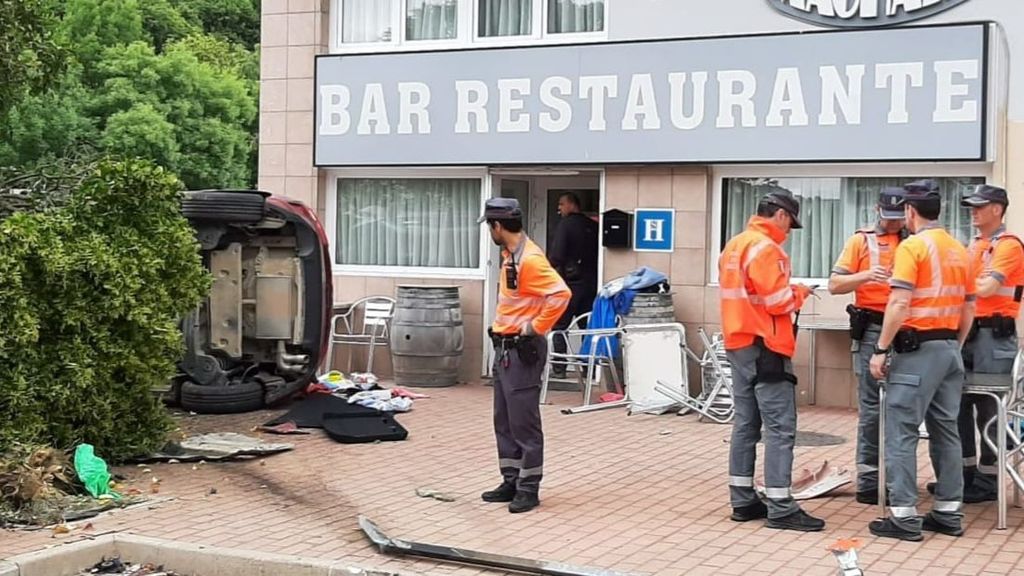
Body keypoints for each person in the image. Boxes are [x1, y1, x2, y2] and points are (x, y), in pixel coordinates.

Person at [868, 179, 975, 541]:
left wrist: (881, 349)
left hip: (917, 351)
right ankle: (948, 512)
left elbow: (898, 303)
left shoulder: (913, 247)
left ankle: (903, 517)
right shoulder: (960, 248)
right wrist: (954, 345)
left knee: (901, 430)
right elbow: (970, 305)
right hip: (948, 349)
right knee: (946, 430)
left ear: (910, 212)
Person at [719, 187, 823, 532]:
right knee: (780, 427)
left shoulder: (735, 245)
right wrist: (801, 292)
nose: (788, 233)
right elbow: (778, 302)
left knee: (746, 423)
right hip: (767, 347)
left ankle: (743, 498)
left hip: (739, 342)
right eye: (790, 225)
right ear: (780, 215)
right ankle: (781, 505)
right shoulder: (768, 249)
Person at [930, 185, 1024, 503]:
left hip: (993, 338)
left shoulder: (1009, 246)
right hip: (969, 333)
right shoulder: (976, 245)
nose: (972, 211)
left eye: (979, 206)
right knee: (957, 405)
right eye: (971, 206)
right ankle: (965, 474)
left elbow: (985, 288)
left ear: (997, 209)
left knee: (990, 409)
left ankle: (989, 478)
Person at [478, 198, 571, 513]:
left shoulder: (530, 259)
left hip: (521, 350)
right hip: (505, 348)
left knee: (523, 422)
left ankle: (528, 488)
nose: (490, 232)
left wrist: (534, 327)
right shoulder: (510, 256)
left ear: (497, 226)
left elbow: (561, 294)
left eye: (489, 227)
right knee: (503, 420)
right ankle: (511, 479)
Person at [828, 188, 907, 505]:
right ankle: (869, 481)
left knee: (900, 407)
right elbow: (835, 284)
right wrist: (865, 276)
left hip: (907, 329)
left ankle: (896, 479)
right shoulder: (860, 241)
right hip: (873, 327)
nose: (893, 223)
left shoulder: (913, 240)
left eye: (899, 217)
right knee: (872, 408)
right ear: (878, 210)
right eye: (888, 217)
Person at [547, 192, 599, 377]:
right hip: (591, 284)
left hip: (570, 284)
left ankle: (559, 367)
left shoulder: (566, 225)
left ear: (571, 205)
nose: (559, 208)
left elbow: (557, 255)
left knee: (560, 326)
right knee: (587, 326)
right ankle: (589, 368)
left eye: (561, 204)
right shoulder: (592, 226)